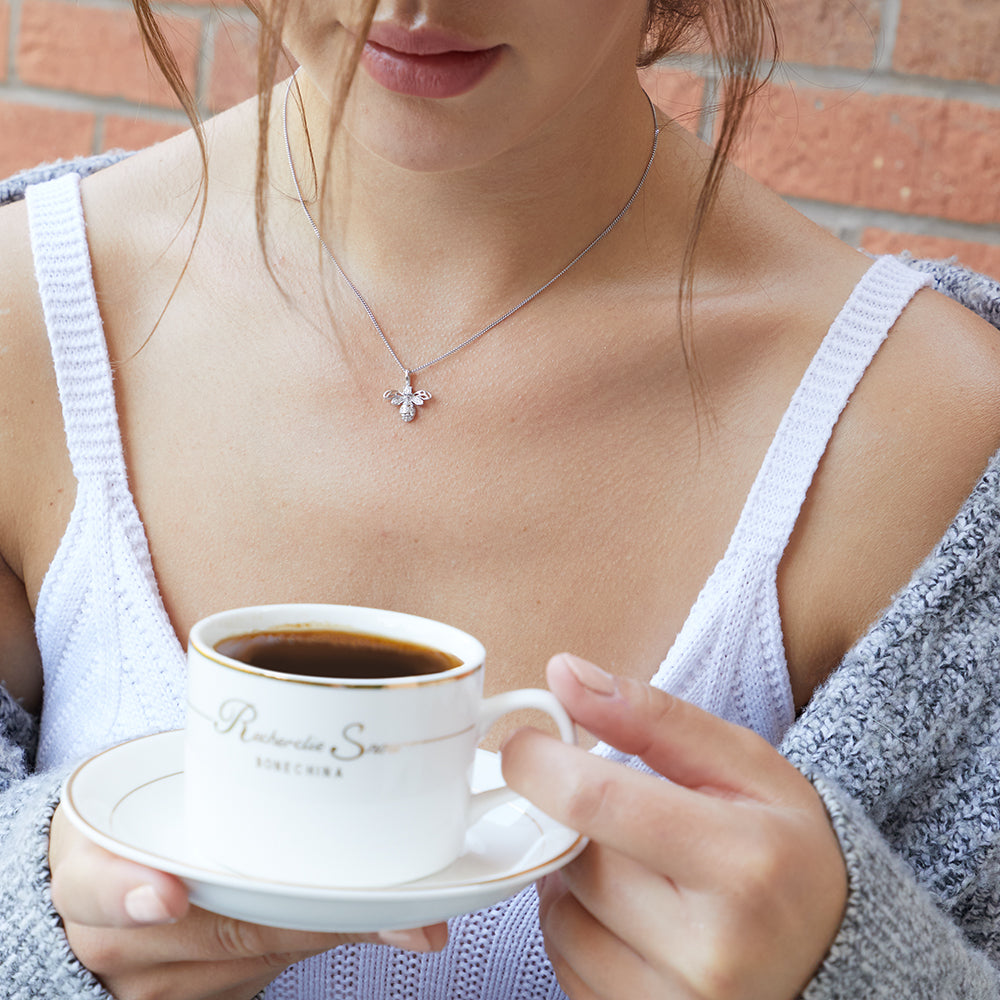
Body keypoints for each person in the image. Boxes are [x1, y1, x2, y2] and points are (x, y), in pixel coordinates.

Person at [1, 0, 1000, 995]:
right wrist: (35, 925)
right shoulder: (30, 316)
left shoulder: (923, 431)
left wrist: (855, 973)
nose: (414, 6)